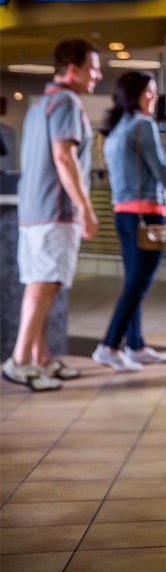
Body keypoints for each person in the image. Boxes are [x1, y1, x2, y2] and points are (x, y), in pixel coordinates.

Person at [3, 39, 102, 391]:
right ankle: (19, 360)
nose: (98, 75)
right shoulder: (66, 102)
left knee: (42, 283)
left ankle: (41, 357)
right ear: (72, 69)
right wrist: (85, 207)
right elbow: (64, 156)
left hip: (34, 211)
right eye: (93, 67)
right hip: (55, 211)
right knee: (44, 285)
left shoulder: (40, 103)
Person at [92, 71, 166, 372]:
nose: (155, 97)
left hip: (123, 213)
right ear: (135, 93)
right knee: (138, 283)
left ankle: (135, 346)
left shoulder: (117, 128)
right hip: (146, 214)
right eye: (150, 91)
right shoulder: (142, 125)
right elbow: (160, 167)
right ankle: (109, 345)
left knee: (133, 280)